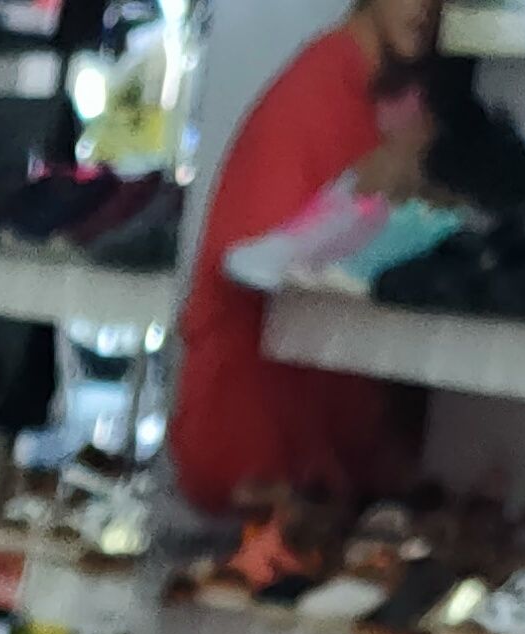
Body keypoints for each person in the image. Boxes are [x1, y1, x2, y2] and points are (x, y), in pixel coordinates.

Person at [169, 0, 437, 518]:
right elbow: (254, 270)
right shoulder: (320, 96)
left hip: (300, 459)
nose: (427, 7)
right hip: (256, 450)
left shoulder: (370, 96)